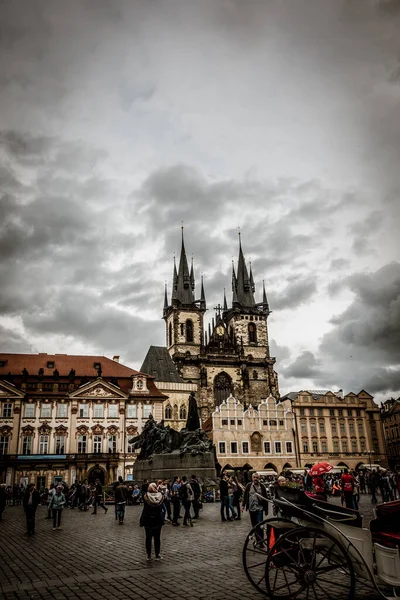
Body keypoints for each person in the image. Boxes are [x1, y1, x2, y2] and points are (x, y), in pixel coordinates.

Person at [140, 482, 164, 561]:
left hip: (147, 519)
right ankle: (157, 554)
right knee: (157, 538)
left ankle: (149, 555)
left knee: (148, 538)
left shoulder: (146, 496)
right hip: (157, 519)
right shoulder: (161, 496)